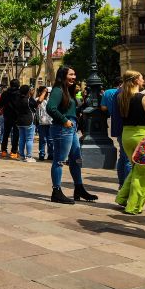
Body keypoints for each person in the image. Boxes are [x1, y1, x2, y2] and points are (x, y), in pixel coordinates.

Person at [46, 66, 98, 204]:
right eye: (71, 74)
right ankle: (56, 191)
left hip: (71, 129)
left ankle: (79, 188)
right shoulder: (57, 90)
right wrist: (65, 121)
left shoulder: (68, 91)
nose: (74, 77)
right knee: (59, 160)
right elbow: (50, 108)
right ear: (62, 76)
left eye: (75, 74)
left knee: (76, 159)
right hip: (63, 129)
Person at [115, 71, 145, 214]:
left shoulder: (121, 97)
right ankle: (133, 206)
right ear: (135, 81)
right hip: (142, 137)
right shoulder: (143, 98)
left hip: (127, 135)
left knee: (136, 169)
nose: (143, 80)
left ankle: (122, 198)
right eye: (141, 78)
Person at [0, 79, 21, 159]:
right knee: (16, 134)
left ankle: (3, 150)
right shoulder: (20, 93)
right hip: (17, 116)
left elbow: (0, 104)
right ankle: (13, 151)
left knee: (6, 133)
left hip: (7, 115)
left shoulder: (5, 93)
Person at [16, 85, 39, 163]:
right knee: (29, 139)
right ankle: (29, 156)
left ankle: (21, 156)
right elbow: (36, 105)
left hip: (19, 121)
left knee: (22, 139)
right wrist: (31, 96)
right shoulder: (29, 100)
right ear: (28, 91)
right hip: (29, 121)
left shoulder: (18, 99)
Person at [36, 86, 55, 162]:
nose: (47, 94)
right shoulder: (38, 99)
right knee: (42, 140)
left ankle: (51, 154)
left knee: (50, 140)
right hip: (42, 123)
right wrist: (44, 92)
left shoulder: (51, 100)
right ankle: (42, 154)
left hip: (50, 122)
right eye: (45, 92)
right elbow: (39, 101)